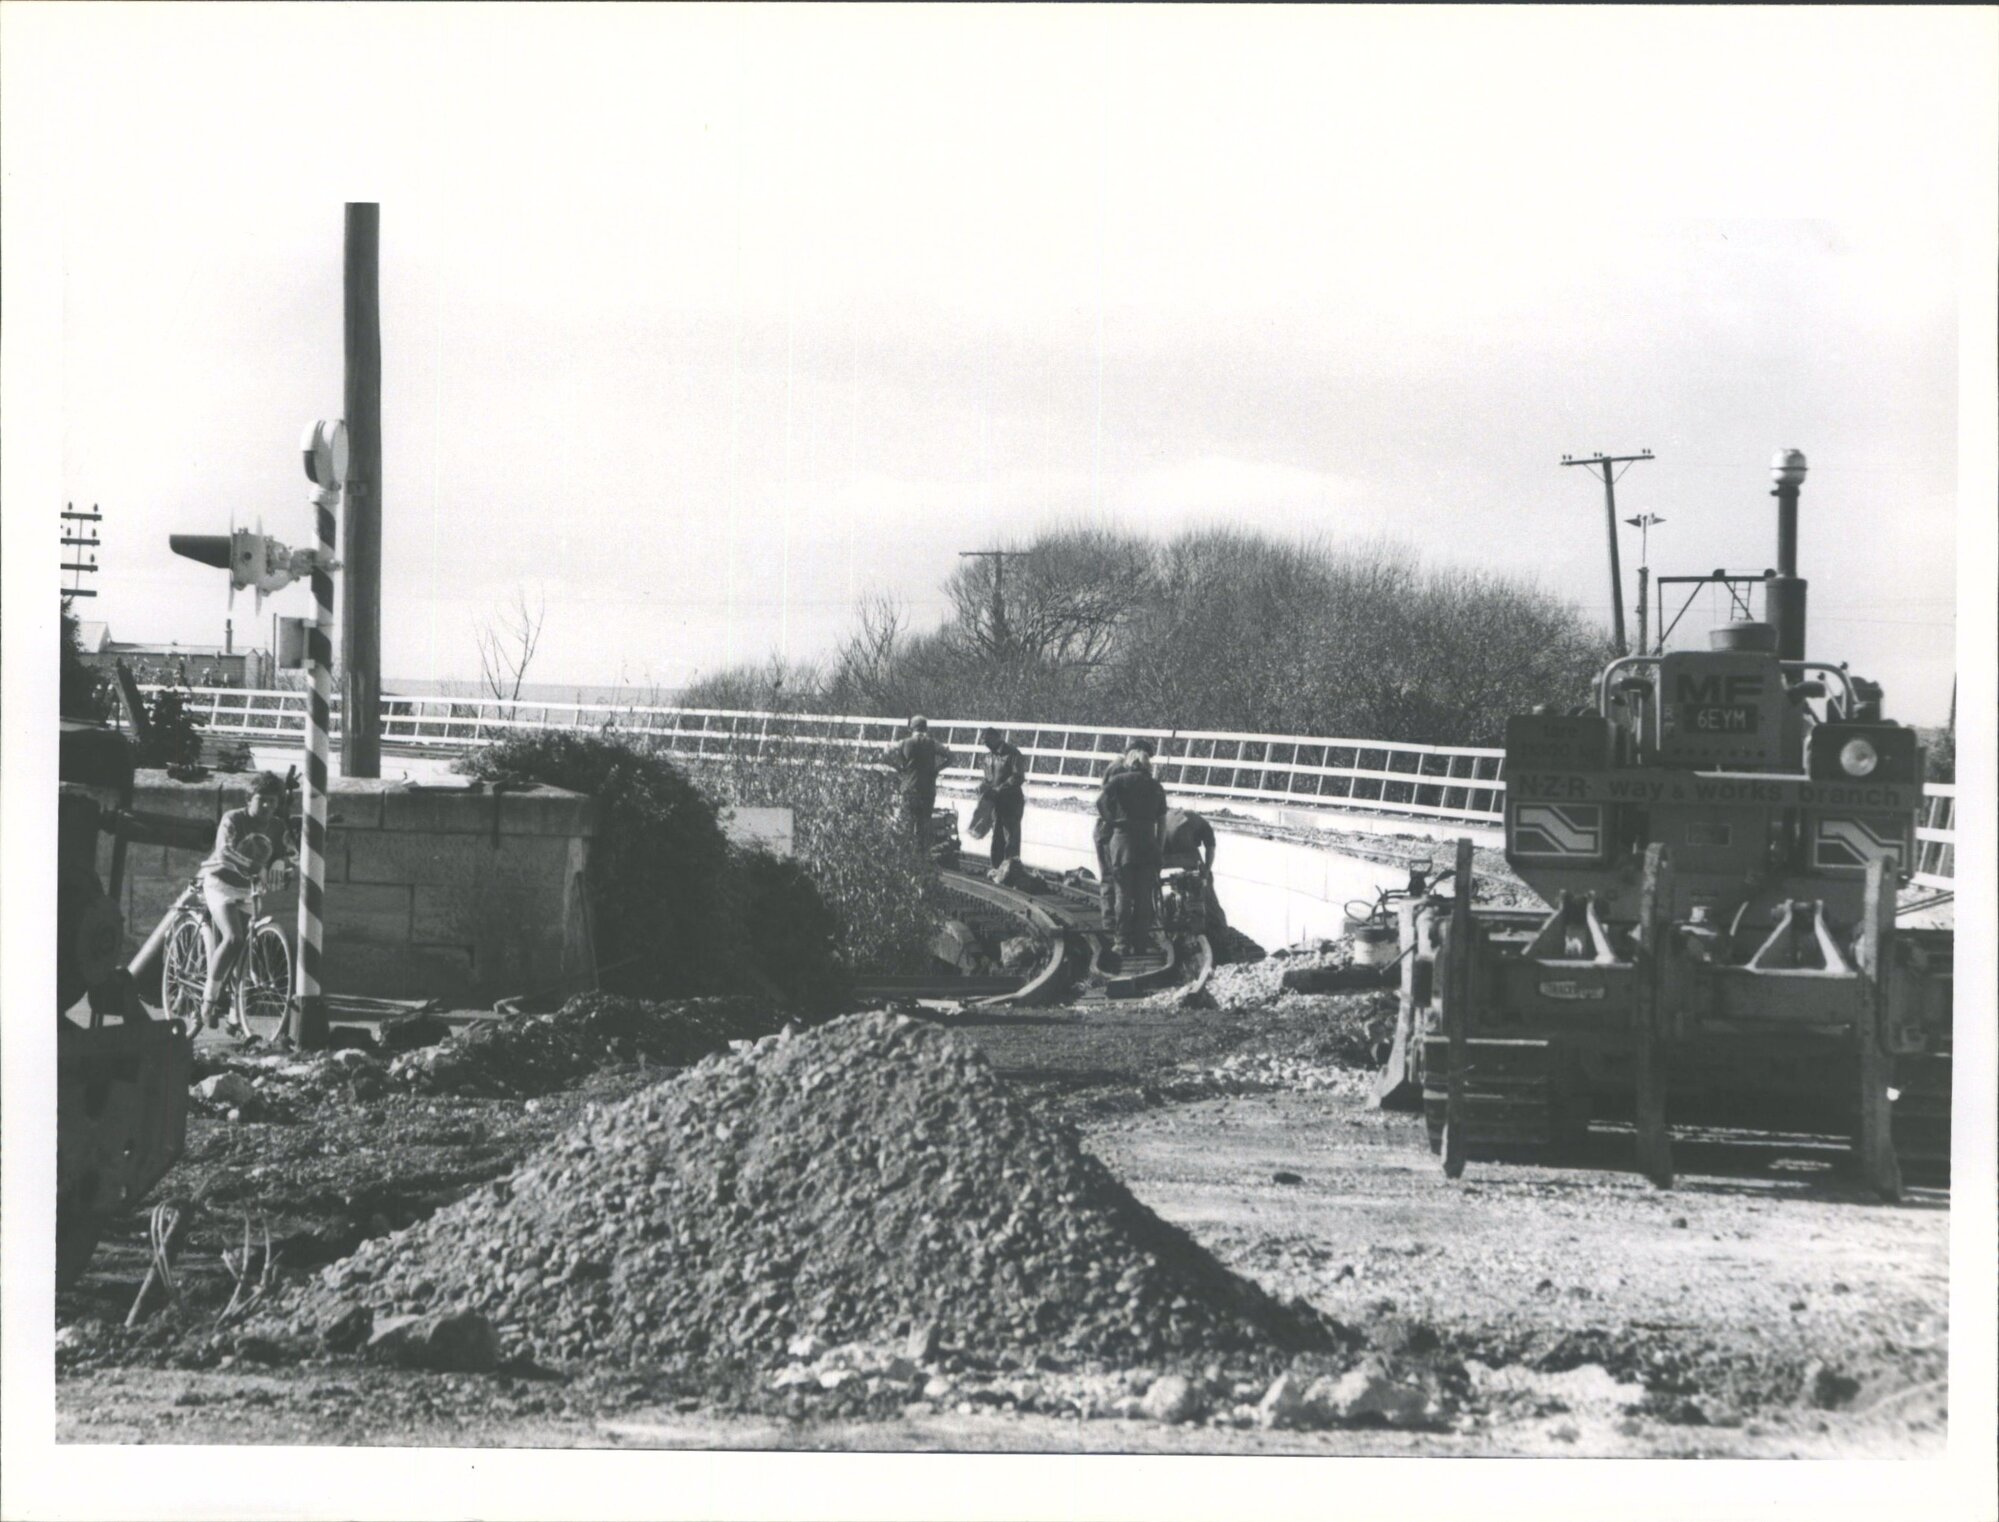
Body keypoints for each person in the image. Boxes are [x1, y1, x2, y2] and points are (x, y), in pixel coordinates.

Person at [197, 770, 290, 1034]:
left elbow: (286, 853)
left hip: (247, 889)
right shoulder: (233, 819)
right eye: (262, 800)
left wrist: (281, 864)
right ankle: (208, 1001)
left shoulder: (277, 826)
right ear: (249, 798)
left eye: (273, 802)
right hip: (220, 884)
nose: (267, 806)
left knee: (244, 951)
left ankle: (234, 1012)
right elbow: (225, 852)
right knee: (233, 938)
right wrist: (255, 866)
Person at [1096, 744, 1169, 953]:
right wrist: (1159, 849)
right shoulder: (1156, 787)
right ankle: (1141, 943)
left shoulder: (1119, 781)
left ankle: (1121, 942)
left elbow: (1100, 802)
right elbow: (1162, 823)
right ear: (1147, 765)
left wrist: (1111, 820)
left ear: (1130, 763)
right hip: (1147, 843)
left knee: (1122, 895)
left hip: (1122, 843)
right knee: (1144, 896)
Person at [882, 716, 953, 853]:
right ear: (925, 728)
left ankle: (906, 856)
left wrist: (898, 767)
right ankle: (921, 856)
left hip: (909, 788)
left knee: (907, 824)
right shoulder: (933, 744)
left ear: (911, 728)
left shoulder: (904, 742)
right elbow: (951, 756)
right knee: (923, 825)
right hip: (927, 790)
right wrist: (938, 769)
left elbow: (886, 753)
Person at [977, 726, 1028, 870]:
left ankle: (1011, 869)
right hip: (995, 803)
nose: (985, 744)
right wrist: (983, 787)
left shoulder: (1013, 754)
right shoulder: (988, 757)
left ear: (996, 738)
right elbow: (989, 778)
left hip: (1011, 802)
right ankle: (996, 868)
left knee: (1010, 836)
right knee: (996, 836)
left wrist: (999, 789)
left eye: (986, 741)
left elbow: (1018, 777)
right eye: (983, 742)